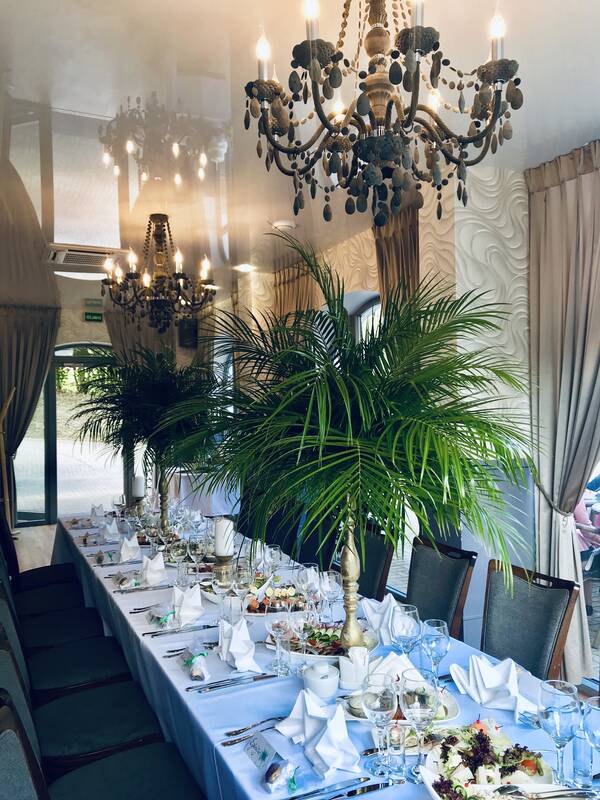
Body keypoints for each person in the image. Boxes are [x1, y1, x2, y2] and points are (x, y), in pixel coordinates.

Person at [574, 498, 600, 616]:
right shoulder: (574, 494)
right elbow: (587, 530)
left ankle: (587, 607)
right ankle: (587, 607)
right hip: (577, 548)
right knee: (589, 564)